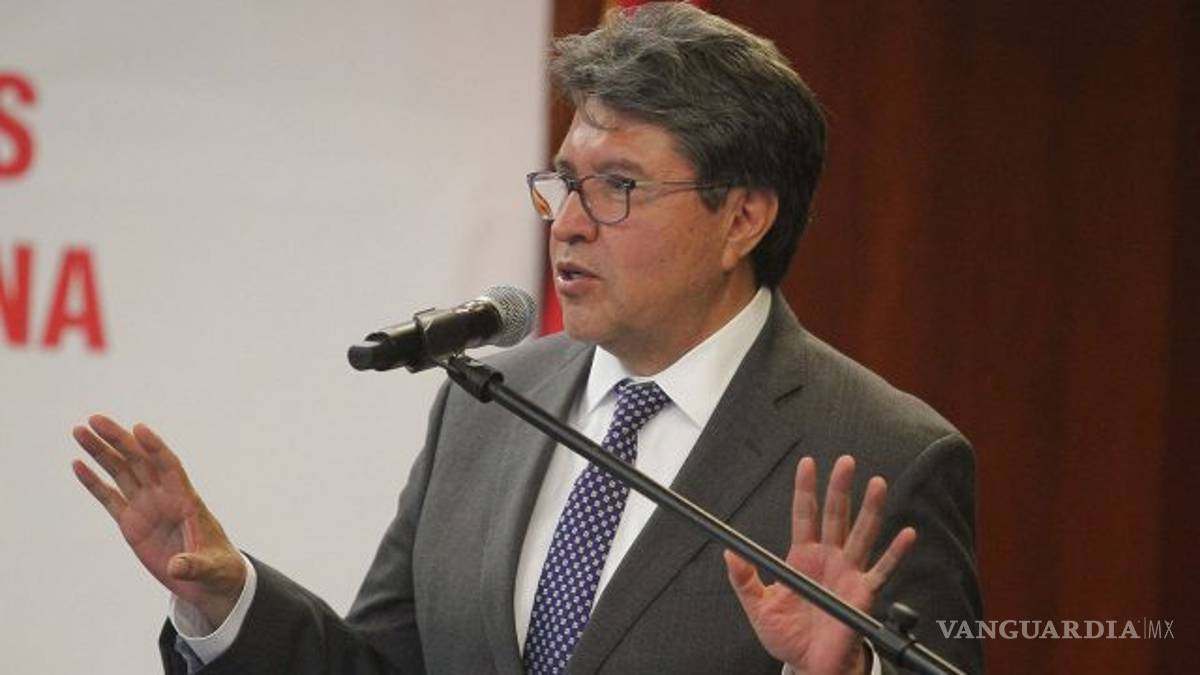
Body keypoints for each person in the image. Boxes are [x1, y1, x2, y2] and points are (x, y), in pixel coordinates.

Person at [70, 4, 982, 674]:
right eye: (564, 182)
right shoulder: (486, 406)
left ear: (742, 218)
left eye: (618, 187)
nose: (569, 224)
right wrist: (228, 598)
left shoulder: (885, 451)